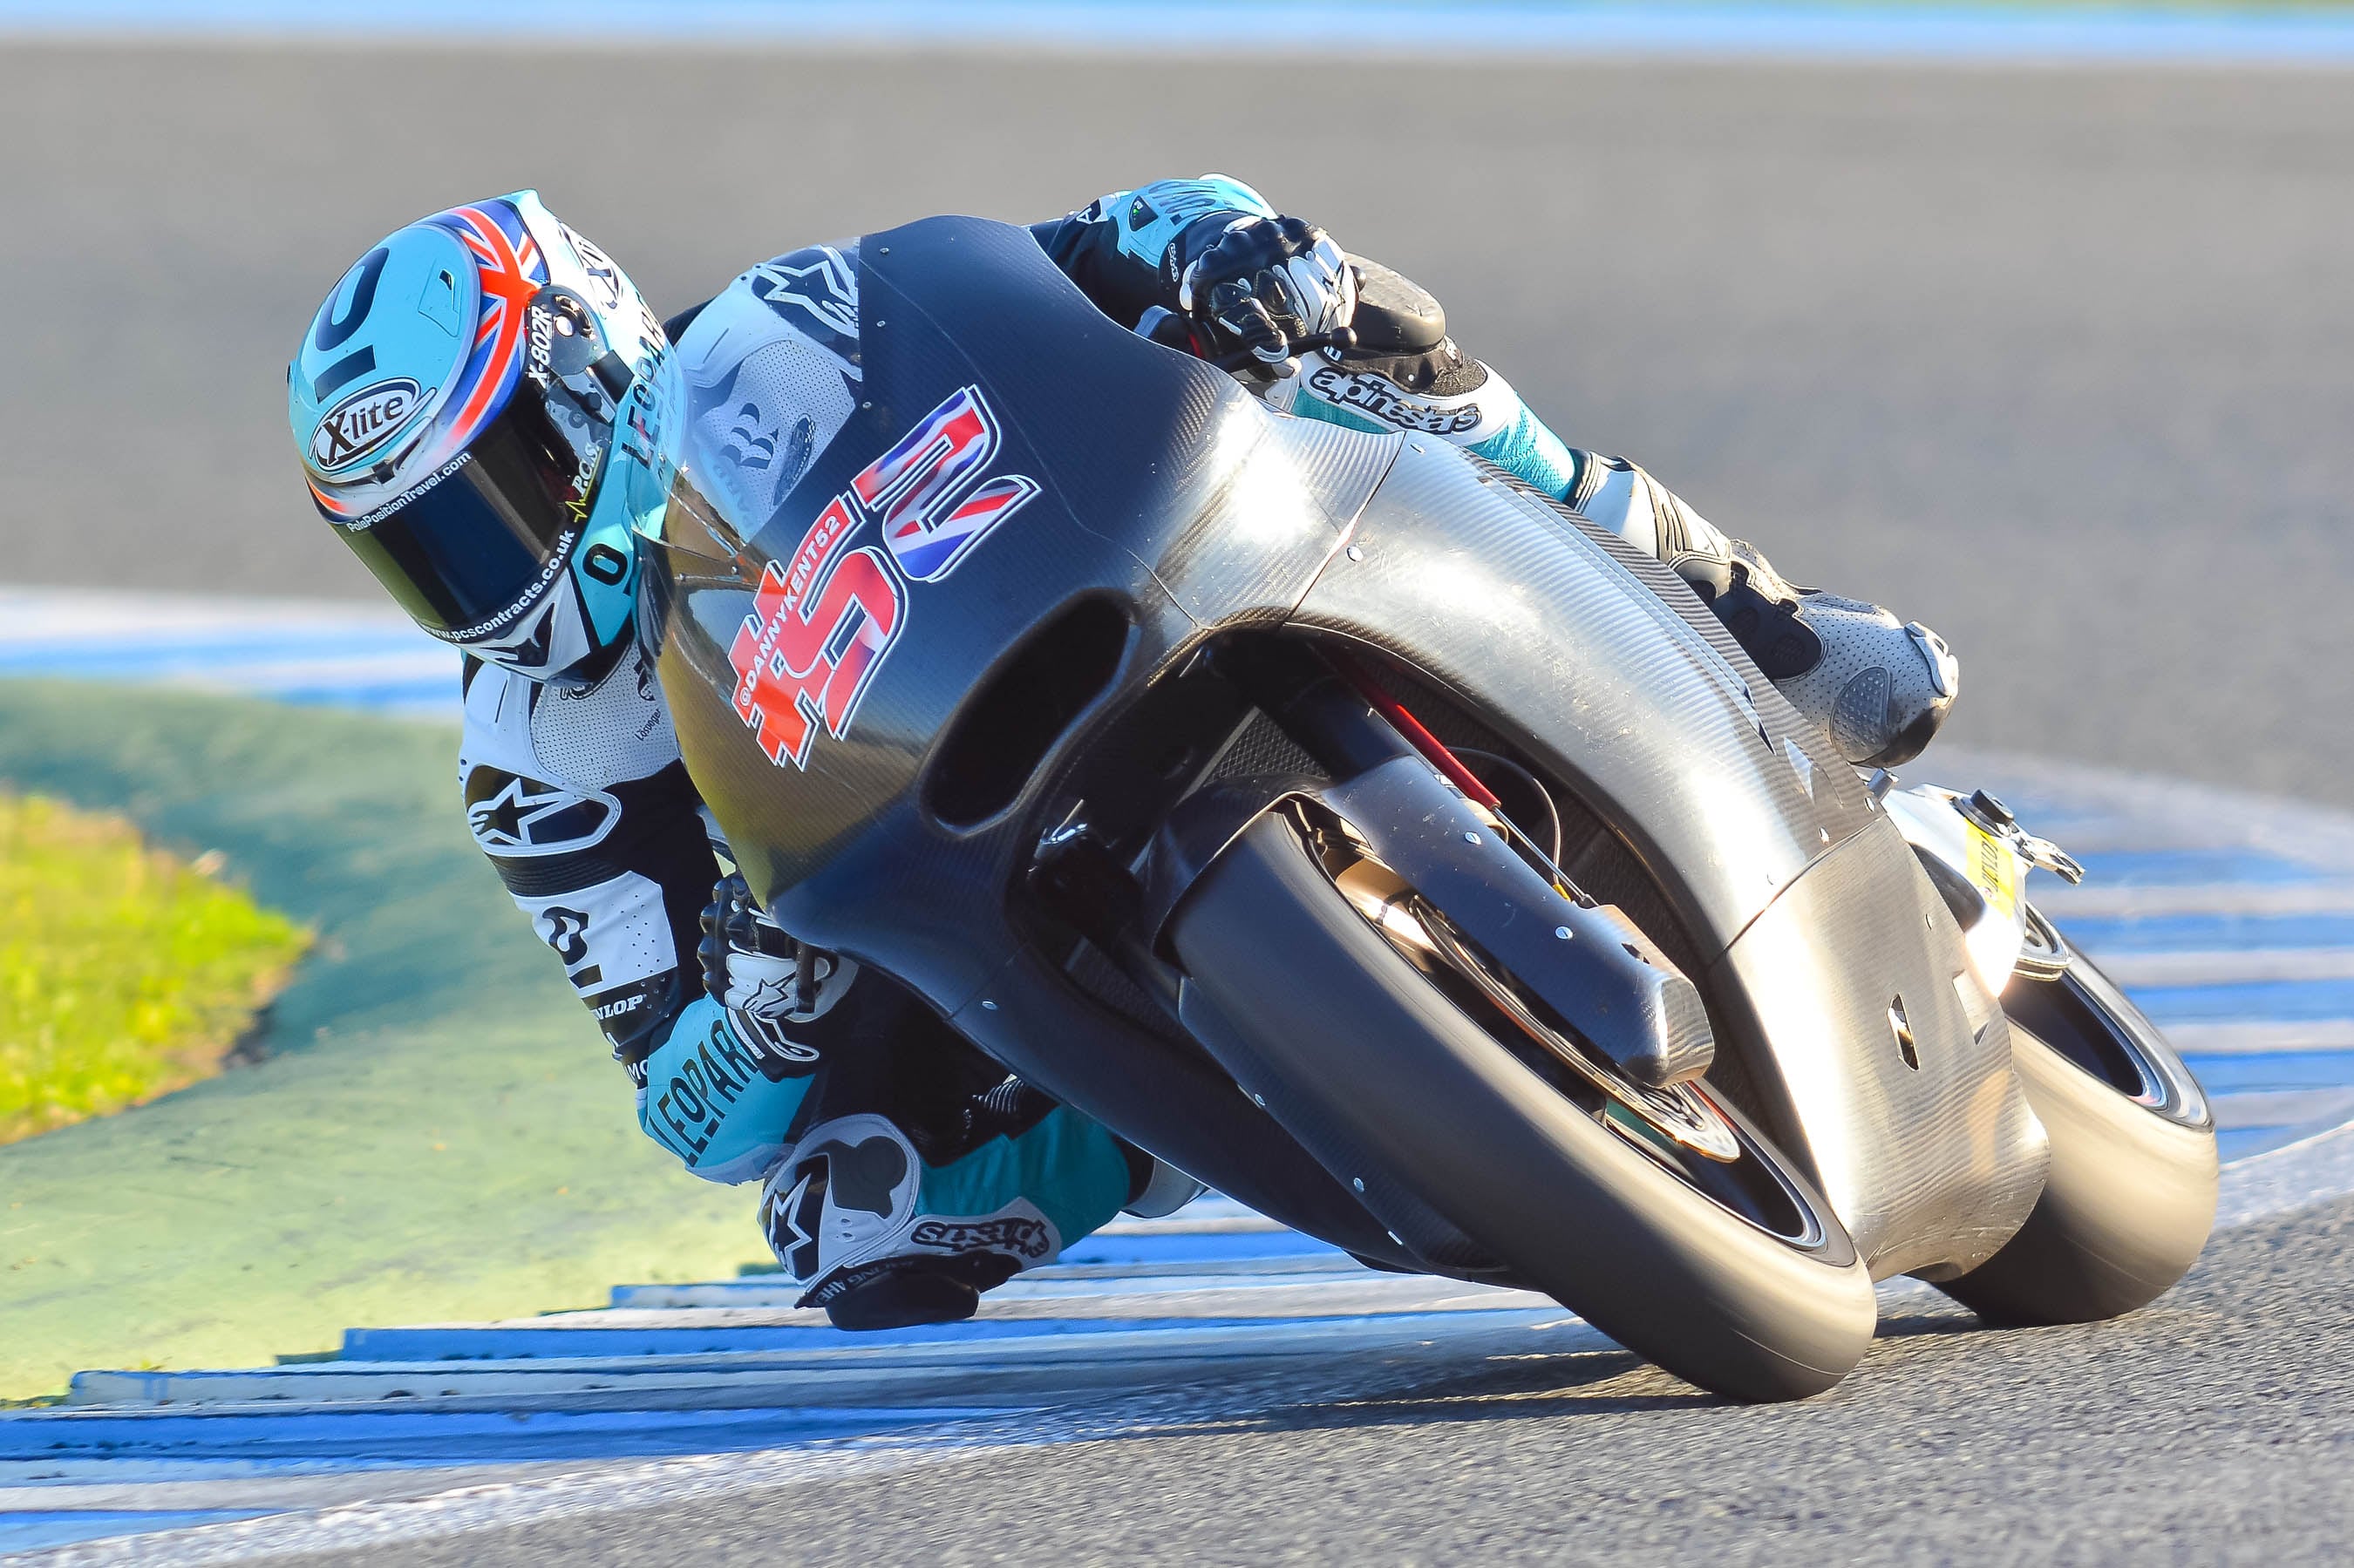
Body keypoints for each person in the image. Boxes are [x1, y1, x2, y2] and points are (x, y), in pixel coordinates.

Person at [286, 179, 1957, 1330]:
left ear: (588, 366)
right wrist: (760, 999)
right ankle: (1230, 1085)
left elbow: (1064, 254)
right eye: (427, 555)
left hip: (1128, 575)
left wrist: (1209, 246)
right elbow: (690, 1112)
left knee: (1350, 319)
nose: (487, 583)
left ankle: (1758, 624)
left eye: (499, 494)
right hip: (940, 875)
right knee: (844, 1222)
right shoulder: (544, 764)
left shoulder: (783, 338)